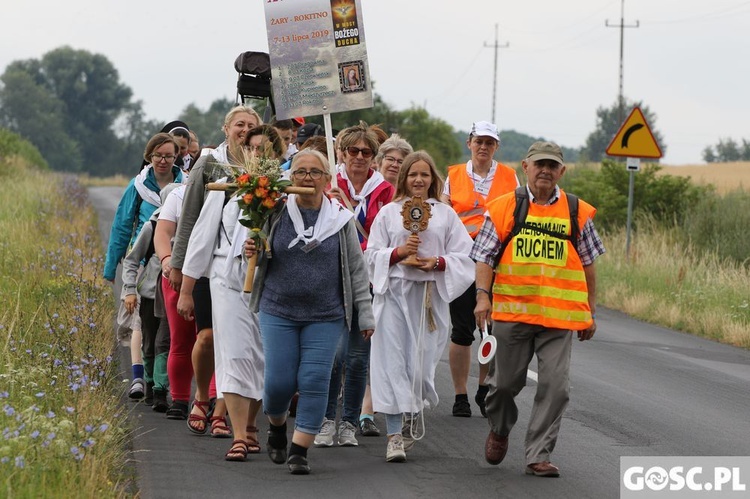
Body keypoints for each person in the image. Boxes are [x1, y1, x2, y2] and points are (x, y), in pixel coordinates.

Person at [472, 141, 603, 477]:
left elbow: (588, 265)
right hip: (512, 315)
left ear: (562, 171)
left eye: (552, 165)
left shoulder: (577, 212)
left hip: (558, 320)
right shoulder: (503, 207)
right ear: (525, 167)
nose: (546, 170)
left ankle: (538, 455)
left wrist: (590, 311)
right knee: (502, 386)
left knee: (556, 388)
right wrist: (483, 297)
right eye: (540, 164)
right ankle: (499, 429)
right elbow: (485, 256)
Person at [245, 149, 375, 474]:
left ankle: (300, 448)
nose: (307, 178)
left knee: (315, 378)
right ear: (291, 177)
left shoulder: (341, 220)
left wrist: (366, 315)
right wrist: (252, 249)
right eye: (300, 171)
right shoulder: (273, 212)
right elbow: (256, 255)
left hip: (326, 315)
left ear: (327, 180)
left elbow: (357, 272)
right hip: (279, 311)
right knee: (278, 383)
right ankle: (276, 426)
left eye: (315, 172)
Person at [365, 151, 474, 462]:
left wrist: (438, 262)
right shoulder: (388, 213)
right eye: (413, 174)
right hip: (395, 296)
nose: (418, 180)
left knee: (421, 365)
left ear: (432, 179)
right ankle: (395, 435)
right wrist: (398, 253)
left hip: (428, 299)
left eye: (424, 175)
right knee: (392, 362)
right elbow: (371, 255)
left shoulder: (445, 215)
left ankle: (413, 410)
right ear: (404, 178)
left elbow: (465, 255)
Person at [168, 105, 262, 434]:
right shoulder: (210, 163)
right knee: (208, 338)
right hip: (209, 266)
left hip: (246, 268)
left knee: (237, 342)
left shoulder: (263, 167)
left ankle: (222, 411)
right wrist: (180, 270)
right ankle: (201, 397)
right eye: (239, 124)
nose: (244, 129)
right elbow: (191, 217)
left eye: (251, 125)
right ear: (226, 128)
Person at [317, 122, 394, 448]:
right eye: (353, 151)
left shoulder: (385, 191)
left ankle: (349, 422)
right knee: (333, 355)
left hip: (370, 280)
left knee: (359, 356)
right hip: (333, 278)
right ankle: (324, 420)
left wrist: (349, 210)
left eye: (367, 152)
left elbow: (384, 233)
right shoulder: (327, 182)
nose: (360, 157)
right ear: (341, 152)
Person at [441, 120, 519, 418]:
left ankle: (484, 386)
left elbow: (515, 215)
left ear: (496, 146)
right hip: (462, 260)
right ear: (469, 143)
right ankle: (460, 394)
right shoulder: (454, 176)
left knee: (491, 328)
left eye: (489, 142)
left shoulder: (510, 177)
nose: (483, 147)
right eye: (479, 141)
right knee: (462, 330)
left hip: (495, 260)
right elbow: (446, 214)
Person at [104, 132, 187, 405]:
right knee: (142, 322)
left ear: (177, 157)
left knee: (166, 329)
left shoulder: (187, 185)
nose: (163, 161)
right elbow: (122, 225)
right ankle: (141, 375)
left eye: (168, 156)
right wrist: (111, 269)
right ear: (148, 157)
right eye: (157, 155)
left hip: (178, 264)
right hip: (144, 263)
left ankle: (158, 381)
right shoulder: (138, 186)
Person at [356, 132, 414, 438]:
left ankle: (377, 406)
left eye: (400, 161)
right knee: (360, 345)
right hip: (361, 268)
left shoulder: (410, 197)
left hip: (390, 277)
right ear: (379, 163)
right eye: (389, 159)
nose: (393, 164)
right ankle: (362, 404)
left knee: (385, 345)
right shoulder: (368, 192)